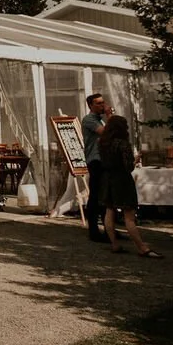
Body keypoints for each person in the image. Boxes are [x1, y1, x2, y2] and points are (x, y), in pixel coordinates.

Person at [98, 115, 161, 258]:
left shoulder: (102, 142)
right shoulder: (122, 144)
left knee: (109, 211)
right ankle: (142, 247)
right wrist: (135, 160)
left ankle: (114, 243)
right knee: (129, 215)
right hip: (122, 180)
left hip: (107, 179)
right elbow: (127, 167)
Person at [80, 93, 110, 242]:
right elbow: (107, 133)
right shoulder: (89, 120)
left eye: (103, 103)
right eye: (98, 103)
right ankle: (93, 230)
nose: (102, 106)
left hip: (104, 160)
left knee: (105, 196)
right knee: (96, 196)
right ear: (91, 105)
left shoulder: (101, 120)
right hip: (95, 160)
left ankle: (108, 229)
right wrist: (110, 116)